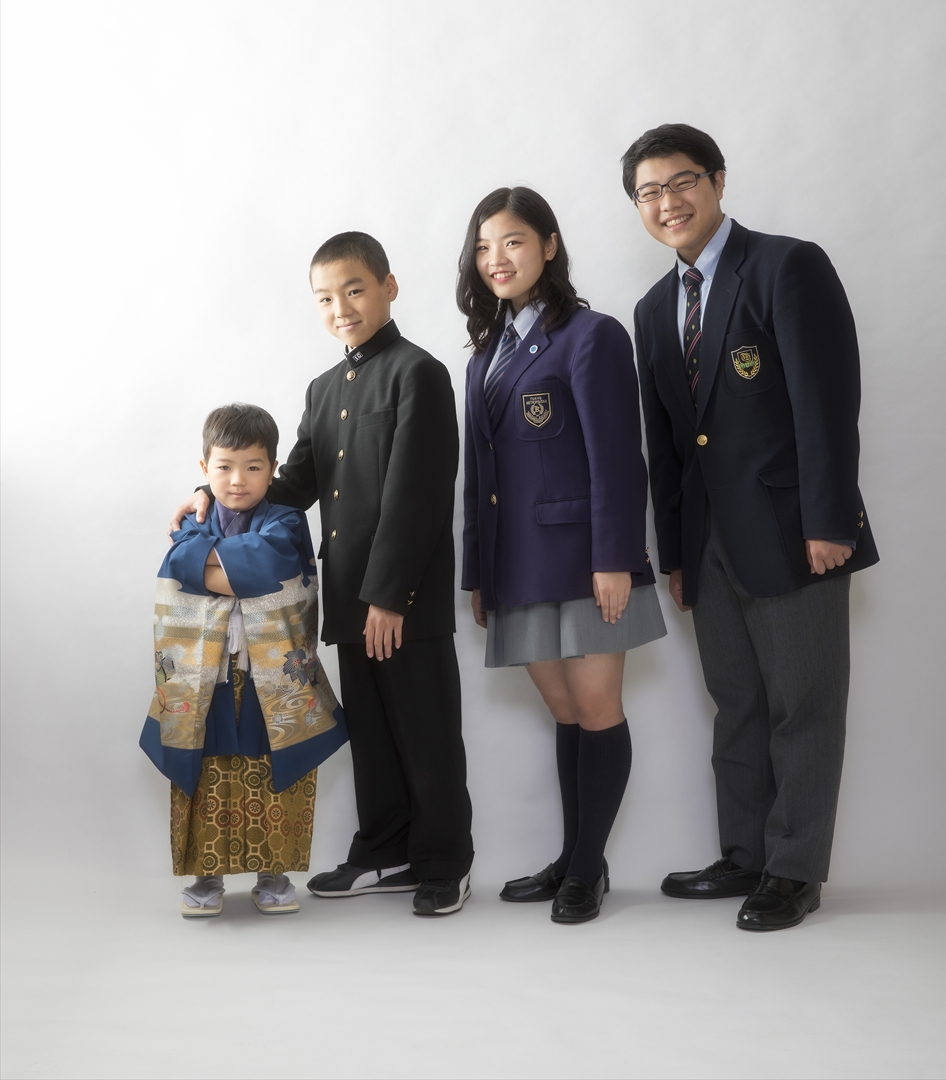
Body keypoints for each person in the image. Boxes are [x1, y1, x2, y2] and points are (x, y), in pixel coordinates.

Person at [170, 232, 473, 916]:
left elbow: (419, 495)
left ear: (389, 287)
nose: (342, 308)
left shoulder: (418, 373)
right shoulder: (325, 387)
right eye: (326, 298)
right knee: (374, 734)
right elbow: (293, 483)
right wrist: (210, 494)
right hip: (346, 597)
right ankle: (384, 851)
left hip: (401, 598)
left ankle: (445, 862)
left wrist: (390, 597)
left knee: (426, 733)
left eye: (354, 290)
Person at [625, 123, 879, 931]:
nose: (669, 202)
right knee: (735, 702)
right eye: (649, 192)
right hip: (707, 544)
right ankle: (744, 855)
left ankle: (794, 870)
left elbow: (826, 404)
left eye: (682, 182)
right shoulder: (653, 308)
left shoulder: (786, 266)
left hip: (794, 531)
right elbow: (668, 443)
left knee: (803, 704)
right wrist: (674, 552)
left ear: (719, 181)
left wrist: (830, 519)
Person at [458, 187, 666, 925]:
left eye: (513, 241)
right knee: (563, 709)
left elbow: (618, 458)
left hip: (584, 559)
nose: (497, 259)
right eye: (484, 247)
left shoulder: (590, 335)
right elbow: (477, 477)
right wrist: (477, 573)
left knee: (596, 707)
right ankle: (579, 857)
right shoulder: (485, 355)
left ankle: (584, 870)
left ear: (548, 246)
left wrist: (616, 557)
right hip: (517, 563)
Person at [142, 402, 348, 917]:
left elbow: (261, 564)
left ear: (274, 468)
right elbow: (184, 560)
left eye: (254, 467)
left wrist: (208, 565)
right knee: (206, 768)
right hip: (205, 674)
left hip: (272, 674)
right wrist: (234, 569)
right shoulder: (195, 517)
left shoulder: (286, 520)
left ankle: (273, 875)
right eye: (225, 467)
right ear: (205, 468)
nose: (238, 480)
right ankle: (206, 876)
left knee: (273, 766)